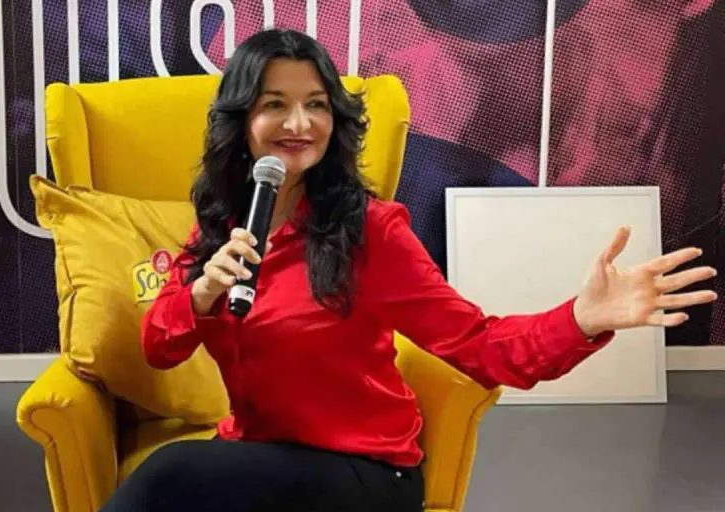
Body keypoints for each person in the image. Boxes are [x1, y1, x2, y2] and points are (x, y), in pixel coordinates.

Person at [101, 29, 717, 512]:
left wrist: (582, 318)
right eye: (275, 105)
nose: (299, 124)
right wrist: (201, 293)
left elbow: (481, 345)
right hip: (257, 454)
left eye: (316, 105)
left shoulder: (371, 231)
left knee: (168, 475)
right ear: (241, 123)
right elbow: (159, 347)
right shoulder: (223, 226)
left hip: (361, 468)